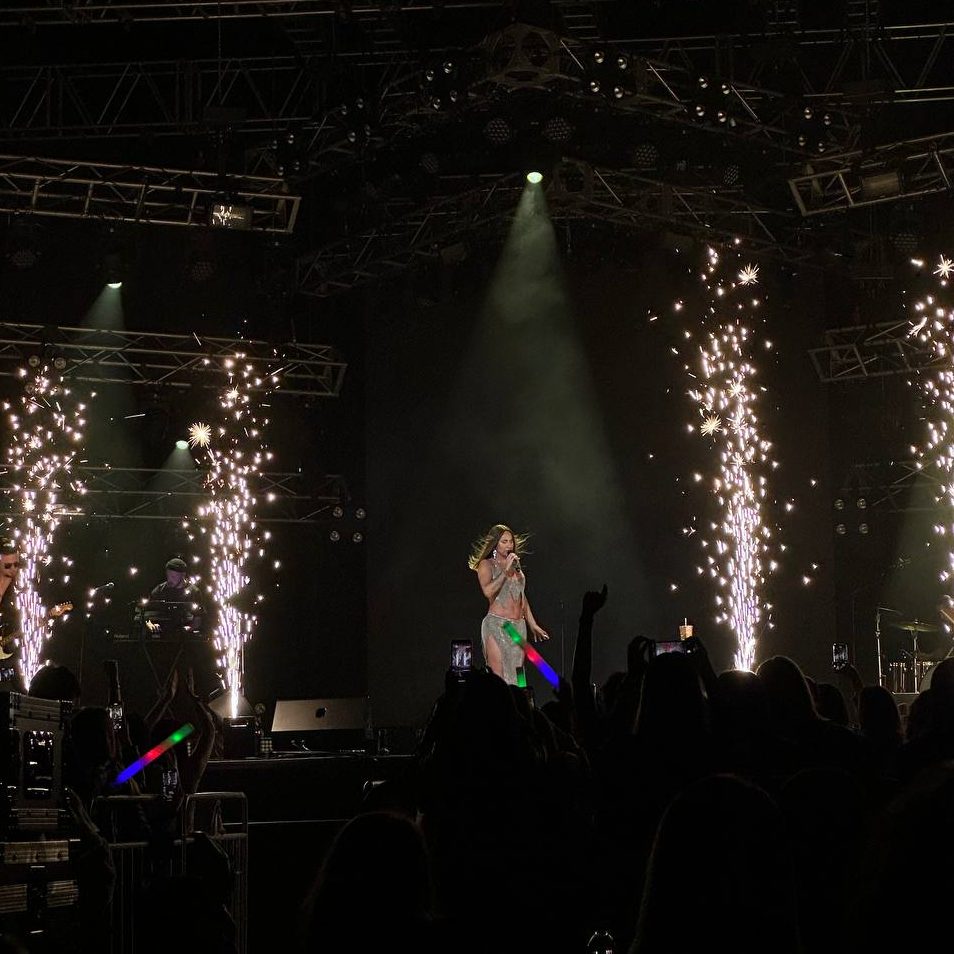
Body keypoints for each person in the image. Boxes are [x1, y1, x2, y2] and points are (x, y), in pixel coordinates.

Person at [469, 524, 548, 686]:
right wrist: (505, 572)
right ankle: (499, 701)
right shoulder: (486, 564)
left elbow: (521, 596)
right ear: (495, 544)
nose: (509, 545)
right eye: (504, 541)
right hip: (497, 624)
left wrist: (533, 624)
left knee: (519, 674)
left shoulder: (516, 567)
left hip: (517, 627)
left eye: (510, 541)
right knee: (498, 676)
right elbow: (488, 591)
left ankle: (522, 699)